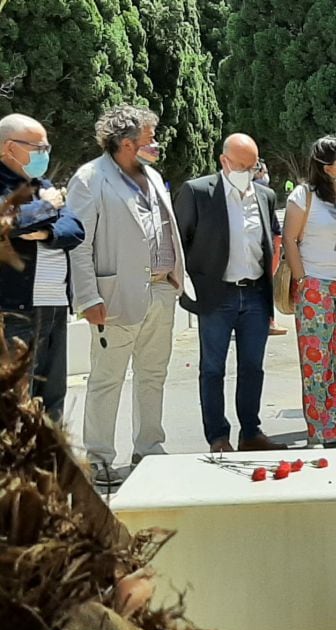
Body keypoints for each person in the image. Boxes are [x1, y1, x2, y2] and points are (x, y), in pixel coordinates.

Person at [67, 105, 185, 486]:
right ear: (126, 143)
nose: (157, 143)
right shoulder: (90, 178)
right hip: (114, 297)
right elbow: (78, 244)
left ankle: (149, 447)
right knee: (107, 379)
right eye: (150, 138)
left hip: (160, 290)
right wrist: (87, 298)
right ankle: (99, 457)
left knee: (153, 374)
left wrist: (173, 282)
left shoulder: (151, 175)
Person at [173, 134, 286, 454]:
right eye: (241, 165)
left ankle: (251, 432)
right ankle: (218, 437)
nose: (249, 171)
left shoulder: (264, 196)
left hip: (253, 295)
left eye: (254, 166)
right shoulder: (197, 192)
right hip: (215, 296)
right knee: (213, 368)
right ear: (224, 162)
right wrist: (186, 288)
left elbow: (267, 247)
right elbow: (179, 242)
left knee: (253, 367)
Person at [282, 135, 336, 448]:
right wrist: (303, 280)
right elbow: (290, 240)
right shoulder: (303, 197)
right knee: (317, 362)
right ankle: (319, 431)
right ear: (325, 166)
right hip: (316, 285)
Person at [0, 114, 85, 422]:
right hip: (15, 309)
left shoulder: (43, 185)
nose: (44, 154)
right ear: (9, 147)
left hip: (55, 306)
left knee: (52, 396)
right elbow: (8, 221)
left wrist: (46, 232)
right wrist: (47, 207)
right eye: (38, 147)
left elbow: (75, 228)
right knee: (16, 400)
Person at [256, 159, 289, 337]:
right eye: (264, 171)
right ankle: (269, 320)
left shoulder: (264, 194)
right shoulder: (263, 193)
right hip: (263, 247)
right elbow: (273, 225)